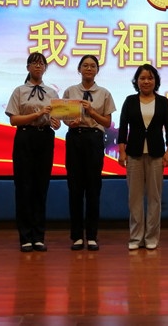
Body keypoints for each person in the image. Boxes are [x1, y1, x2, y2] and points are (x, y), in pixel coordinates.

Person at [5, 52, 61, 252]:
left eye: (41, 64)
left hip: (45, 138)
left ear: (45, 68)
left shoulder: (51, 92)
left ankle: (38, 236)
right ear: (28, 67)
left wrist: (56, 123)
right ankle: (25, 236)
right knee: (24, 187)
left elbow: (57, 120)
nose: (38, 67)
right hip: (25, 137)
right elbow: (13, 120)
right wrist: (37, 114)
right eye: (34, 63)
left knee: (41, 187)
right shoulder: (19, 91)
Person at [117, 64, 168, 251]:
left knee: (154, 198)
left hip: (156, 154)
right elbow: (123, 127)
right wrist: (122, 151)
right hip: (134, 154)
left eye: (150, 78)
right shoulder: (130, 101)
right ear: (137, 81)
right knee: (134, 198)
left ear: (155, 81)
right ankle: (135, 238)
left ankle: (151, 237)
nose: (146, 81)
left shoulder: (163, 102)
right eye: (142, 78)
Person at [63, 55, 116, 251]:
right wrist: (70, 122)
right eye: (85, 65)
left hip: (94, 139)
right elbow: (63, 117)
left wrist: (92, 112)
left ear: (97, 71)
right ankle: (77, 236)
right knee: (75, 187)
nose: (89, 68)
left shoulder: (104, 93)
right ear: (79, 69)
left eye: (93, 66)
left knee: (93, 188)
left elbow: (107, 122)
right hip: (75, 138)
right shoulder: (70, 91)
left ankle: (92, 236)